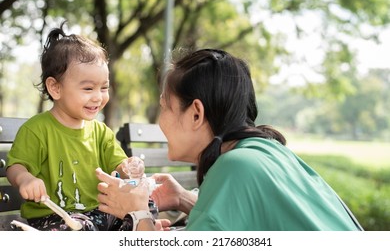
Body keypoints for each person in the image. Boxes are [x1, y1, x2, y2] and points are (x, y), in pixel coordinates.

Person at [95, 48, 363, 231]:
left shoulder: (237, 166)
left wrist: (139, 213)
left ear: (196, 114)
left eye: (165, 107)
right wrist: (183, 198)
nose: (160, 120)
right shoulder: (261, 151)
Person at [6, 21, 132, 231]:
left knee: (139, 212)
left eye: (104, 87)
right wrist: (25, 179)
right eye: (88, 88)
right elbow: (16, 166)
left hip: (98, 215)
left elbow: (119, 164)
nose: (98, 97)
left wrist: (129, 169)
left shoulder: (101, 132)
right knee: (77, 229)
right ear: (55, 88)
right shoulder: (37, 129)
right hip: (52, 216)